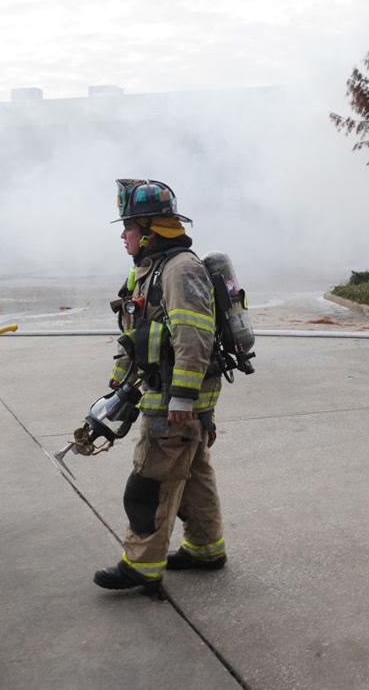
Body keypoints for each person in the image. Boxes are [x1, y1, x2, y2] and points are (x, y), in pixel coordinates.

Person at [92, 179, 227, 592]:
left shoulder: (180, 269)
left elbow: (194, 335)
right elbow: (137, 334)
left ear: (150, 229)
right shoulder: (149, 269)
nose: (123, 235)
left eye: (129, 226)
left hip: (174, 400)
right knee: (193, 477)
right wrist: (118, 385)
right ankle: (205, 548)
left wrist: (182, 397)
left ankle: (141, 565)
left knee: (149, 483)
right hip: (165, 394)